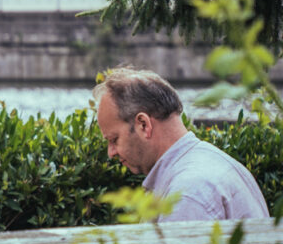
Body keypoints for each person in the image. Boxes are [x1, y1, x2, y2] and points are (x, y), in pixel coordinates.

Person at [94, 67, 269, 222]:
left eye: (114, 139)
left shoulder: (187, 193)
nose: (111, 152)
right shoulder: (212, 163)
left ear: (143, 124)